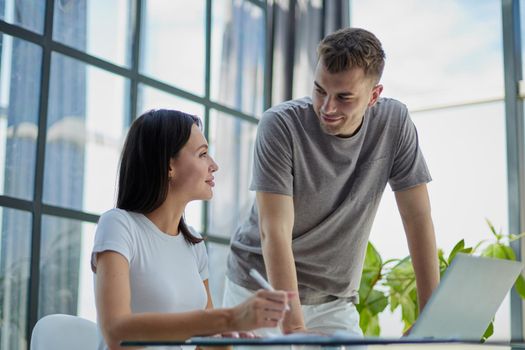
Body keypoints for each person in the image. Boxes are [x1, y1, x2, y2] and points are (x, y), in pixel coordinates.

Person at [223, 27, 440, 336]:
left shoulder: (394, 123)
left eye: (344, 97)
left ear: (373, 95)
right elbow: (275, 232)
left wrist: (430, 319)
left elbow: (417, 217)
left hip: (334, 298)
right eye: (320, 90)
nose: (327, 108)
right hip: (262, 287)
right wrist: (294, 328)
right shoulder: (281, 126)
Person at [91, 109, 294, 350]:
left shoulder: (194, 243)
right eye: (203, 154)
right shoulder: (118, 225)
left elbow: (203, 344)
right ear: (169, 165)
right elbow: (117, 332)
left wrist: (226, 337)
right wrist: (227, 318)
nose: (214, 165)